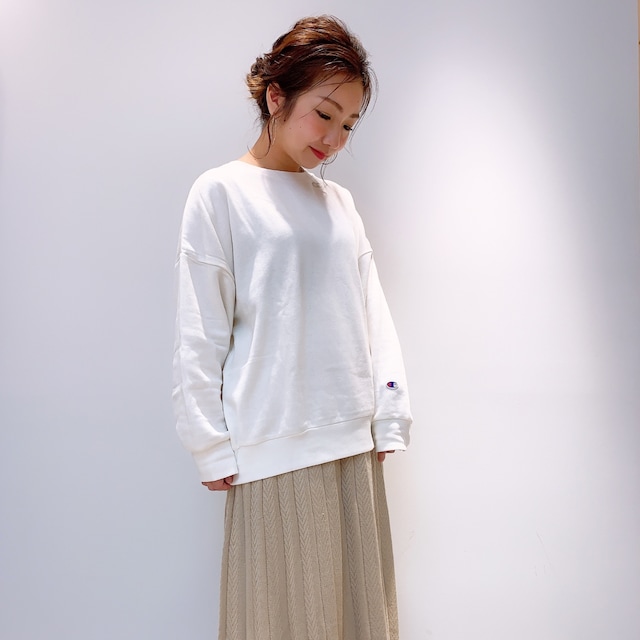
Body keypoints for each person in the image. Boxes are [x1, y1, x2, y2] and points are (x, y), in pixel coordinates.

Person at [172, 15, 412, 640]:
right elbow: (200, 330)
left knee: (358, 620)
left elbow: (371, 309)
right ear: (276, 97)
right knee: (276, 621)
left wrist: (390, 409)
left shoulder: (339, 204)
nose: (334, 138)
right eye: (324, 114)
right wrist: (207, 440)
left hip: (352, 438)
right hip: (273, 443)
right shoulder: (220, 193)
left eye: (349, 124)